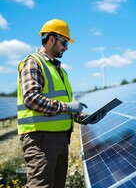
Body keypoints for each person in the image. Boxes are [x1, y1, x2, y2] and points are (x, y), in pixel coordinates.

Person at [17, 19, 105, 188]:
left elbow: (64, 106)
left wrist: (85, 118)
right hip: (40, 139)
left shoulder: (60, 70)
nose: (66, 47)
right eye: (64, 42)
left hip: (60, 139)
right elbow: (31, 99)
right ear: (51, 39)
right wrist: (67, 107)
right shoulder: (33, 62)